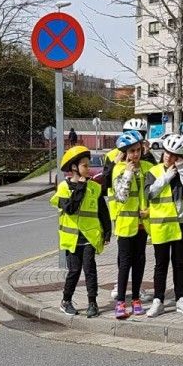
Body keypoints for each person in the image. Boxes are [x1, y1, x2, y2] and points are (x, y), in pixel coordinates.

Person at [51, 145, 111, 318]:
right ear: (74, 168)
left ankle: (93, 303)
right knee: (74, 271)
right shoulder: (64, 187)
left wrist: (107, 232)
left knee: (90, 270)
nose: (88, 168)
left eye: (88, 165)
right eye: (84, 165)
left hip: (90, 237)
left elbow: (103, 212)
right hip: (72, 239)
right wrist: (80, 187)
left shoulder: (95, 188)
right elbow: (70, 209)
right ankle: (66, 301)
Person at [144, 133, 183, 317]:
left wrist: (182, 169)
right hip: (161, 225)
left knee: (179, 263)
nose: (168, 156)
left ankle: (181, 299)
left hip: (181, 223)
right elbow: (149, 194)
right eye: (167, 152)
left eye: (174, 155)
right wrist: (165, 178)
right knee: (160, 265)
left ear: (181, 157)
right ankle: (158, 300)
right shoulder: (154, 171)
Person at [110, 129, 152, 319]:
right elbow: (121, 196)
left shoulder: (145, 167)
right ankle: (120, 301)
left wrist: (149, 209)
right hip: (126, 224)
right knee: (125, 264)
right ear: (125, 152)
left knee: (139, 262)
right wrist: (127, 173)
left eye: (138, 150)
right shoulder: (119, 169)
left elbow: (151, 192)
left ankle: (136, 299)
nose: (135, 154)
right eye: (132, 151)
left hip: (142, 224)